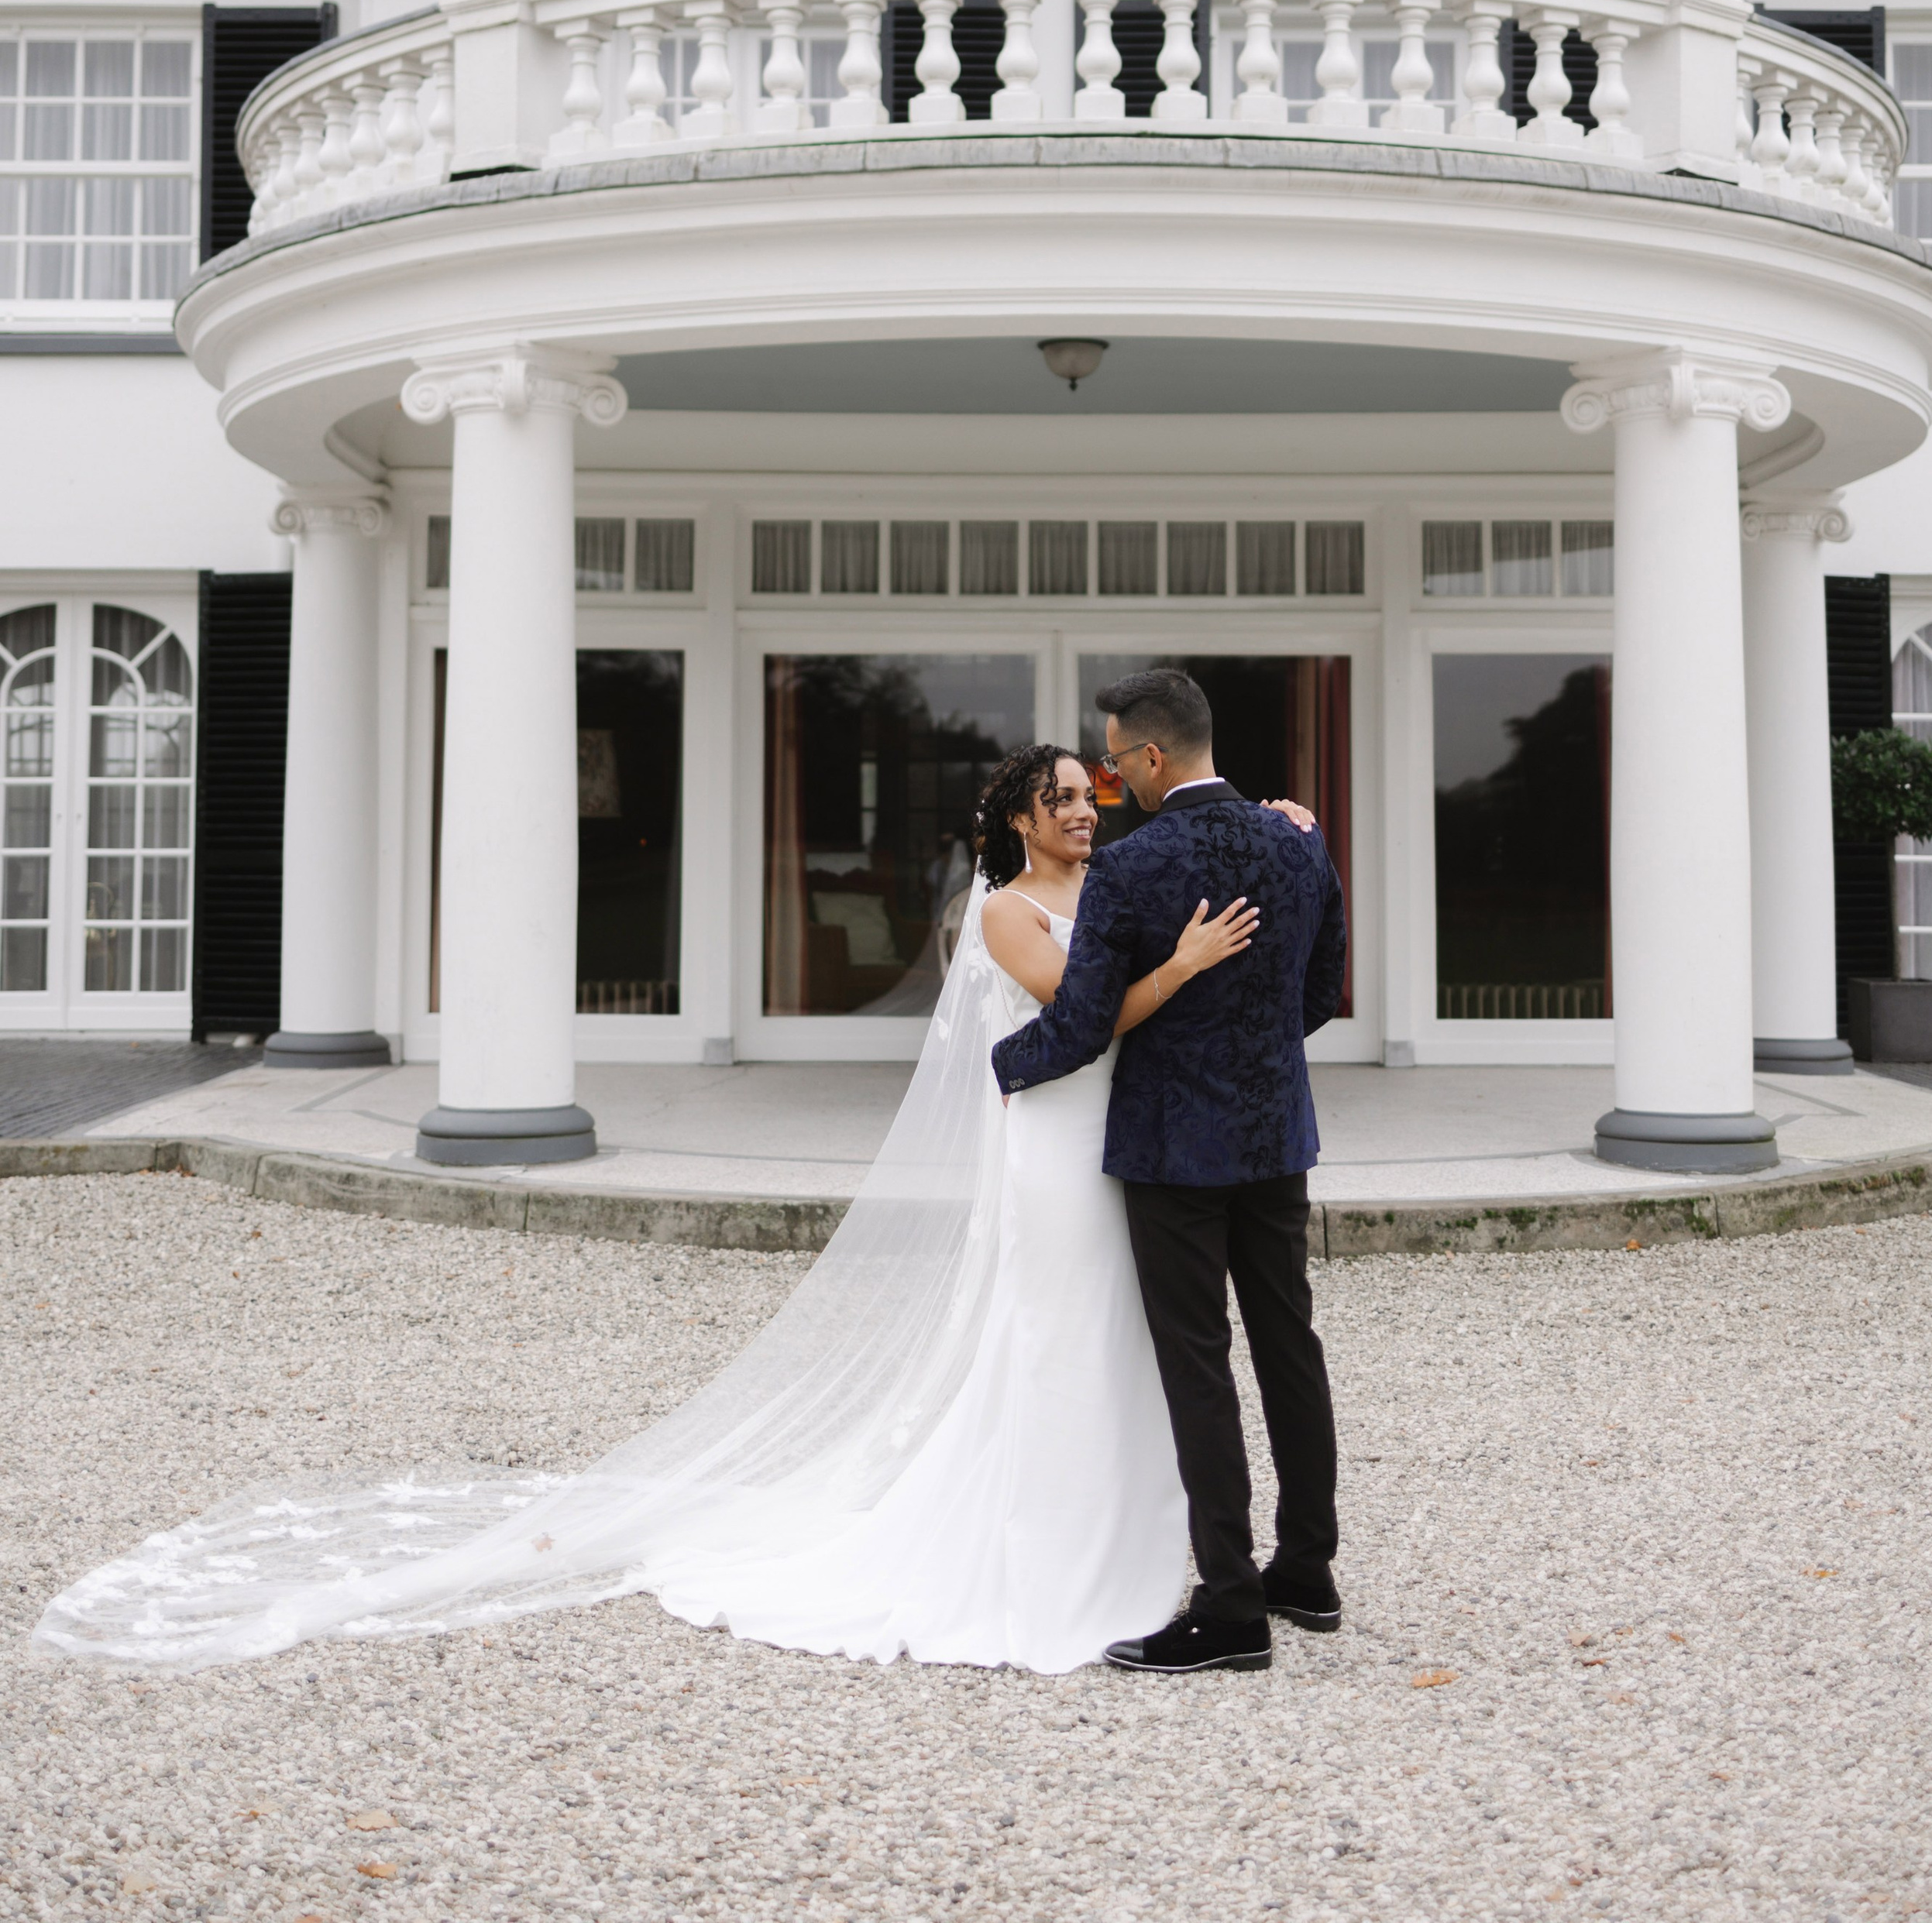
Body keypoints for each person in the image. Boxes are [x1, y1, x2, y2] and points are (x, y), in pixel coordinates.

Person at [34, 743, 1264, 1676]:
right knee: (1050, 1337)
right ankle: (1044, 1552)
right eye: (1057, 797)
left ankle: (1144, 1547)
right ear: (1012, 818)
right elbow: (1080, 1019)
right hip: (1048, 1151)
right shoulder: (1002, 910)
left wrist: (1270, 828)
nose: (1080, 811)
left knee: (1121, 1342)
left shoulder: (1104, 892)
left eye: (1088, 795)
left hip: (1107, 1143)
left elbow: (1170, 910)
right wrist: (1184, 966)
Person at [992, 667, 1348, 1674]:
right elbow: (1320, 991)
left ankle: (1230, 1606)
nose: (1110, 787)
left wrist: (1007, 1065)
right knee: (1288, 1343)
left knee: (1198, 1364)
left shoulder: (1138, 867)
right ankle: (1307, 1572)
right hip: (1276, 1137)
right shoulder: (1298, 841)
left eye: (1113, 767)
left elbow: (1084, 1022)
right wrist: (1257, 1056)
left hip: (1172, 1151)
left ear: (1152, 757)